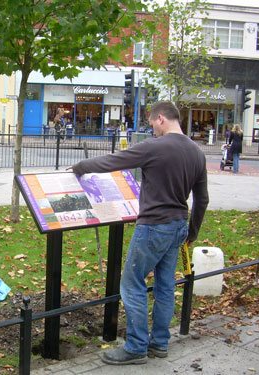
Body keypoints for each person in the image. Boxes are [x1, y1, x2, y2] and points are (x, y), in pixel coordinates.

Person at [70, 101, 209, 366]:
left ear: (160, 119)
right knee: (165, 286)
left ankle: (135, 347)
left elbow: (113, 160)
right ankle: (159, 344)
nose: (151, 130)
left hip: (154, 225)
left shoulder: (154, 147)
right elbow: (202, 200)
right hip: (178, 225)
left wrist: (81, 166)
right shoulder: (197, 153)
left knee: (132, 283)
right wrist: (192, 233)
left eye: (151, 125)